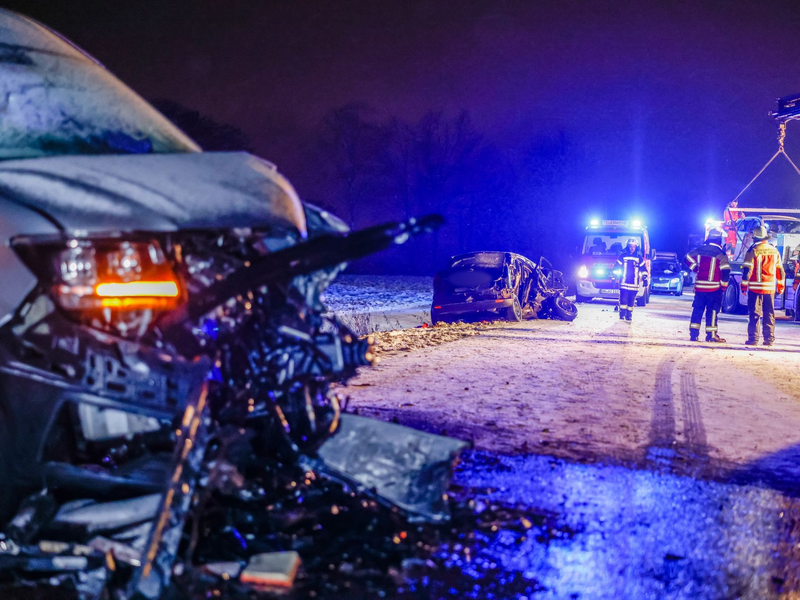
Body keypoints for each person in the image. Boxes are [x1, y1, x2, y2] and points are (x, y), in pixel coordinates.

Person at [741, 225, 785, 346]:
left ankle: (753, 339)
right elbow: (780, 271)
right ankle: (769, 339)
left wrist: (744, 286)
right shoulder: (774, 250)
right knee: (769, 313)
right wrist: (780, 286)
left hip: (755, 289)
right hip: (770, 289)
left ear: (755, 237)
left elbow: (747, 271)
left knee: (755, 314)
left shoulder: (752, 250)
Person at [685, 229, 730, 342]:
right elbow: (725, 272)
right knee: (712, 311)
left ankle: (694, 334)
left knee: (697, 310)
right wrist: (723, 286)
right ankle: (711, 335)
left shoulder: (699, 250)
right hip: (714, 288)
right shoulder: (721, 254)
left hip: (700, 287)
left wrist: (695, 268)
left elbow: (686, 258)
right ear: (719, 240)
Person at [614, 237, 647, 321]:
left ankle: (629, 315)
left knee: (631, 301)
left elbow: (643, 269)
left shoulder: (639, 258)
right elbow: (616, 267)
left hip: (634, 284)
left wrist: (645, 278)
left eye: (633, 246)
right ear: (627, 246)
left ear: (636, 247)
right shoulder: (622, 256)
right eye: (630, 246)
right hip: (624, 282)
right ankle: (622, 313)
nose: (632, 248)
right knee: (623, 299)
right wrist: (615, 277)